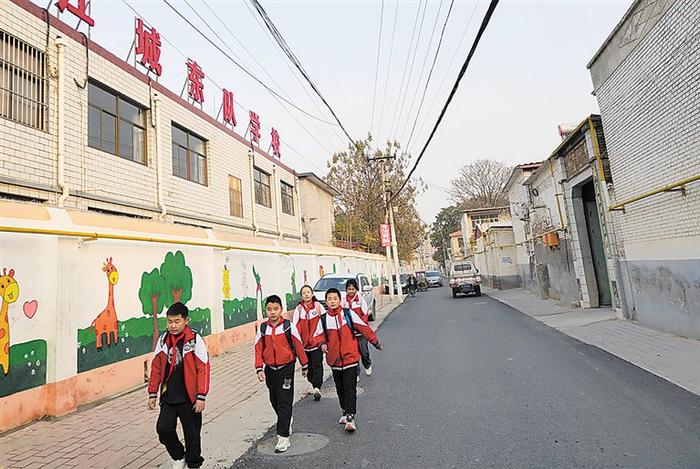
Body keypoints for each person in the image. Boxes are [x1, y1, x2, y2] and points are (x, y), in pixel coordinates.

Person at [148, 302, 210, 469]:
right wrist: (152, 393)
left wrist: (201, 396)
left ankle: (194, 465)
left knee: (192, 435)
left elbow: (203, 368)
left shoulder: (195, 340)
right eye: (169, 321)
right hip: (169, 395)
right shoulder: (163, 339)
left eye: (176, 321)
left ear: (186, 320)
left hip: (190, 397)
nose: (172, 325)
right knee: (163, 429)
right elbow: (156, 366)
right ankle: (178, 456)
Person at [313, 288, 382, 433]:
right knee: (340, 389)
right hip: (335, 361)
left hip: (350, 358)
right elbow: (317, 335)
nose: (332, 301)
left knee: (350, 388)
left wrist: (374, 341)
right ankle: (345, 411)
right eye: (329, 299)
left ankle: (351, 417)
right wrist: (321, 344)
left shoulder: (348, 314)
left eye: (335, 298)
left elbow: (363, 327)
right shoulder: (324, 319)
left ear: (339, 300)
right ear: (326, 302)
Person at [255, 295, 309, 453]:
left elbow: (298, 345)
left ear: (281, 310)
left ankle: (283, 437)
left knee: (285, 401)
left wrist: (304, 364)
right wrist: (259, 368)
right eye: (269, 309)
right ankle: (286, 419)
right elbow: (258, 349)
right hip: (270, 370)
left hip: (287, 368)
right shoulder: (262, 328)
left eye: (275, 309)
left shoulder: (288, 326)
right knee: (274, 399)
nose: (272, 312)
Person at [291, 285, 326, 401]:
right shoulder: (299, 310)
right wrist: (297, 344)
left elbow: (325, 324)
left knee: (317, 365)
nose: (306, 294)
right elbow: (295, 328)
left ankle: (317, 387)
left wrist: (324, 340)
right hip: (304, 346)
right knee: (308, 367)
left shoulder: (318, 307)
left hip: (317, 344)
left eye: (308, 292)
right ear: (301, 296)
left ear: (312, 294)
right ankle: (313, 383)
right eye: (304, 293)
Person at [343, 279, 372, 378]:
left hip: (361, 332)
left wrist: (360, 327)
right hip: (350, 333)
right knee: (353, 354)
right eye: (349, 289)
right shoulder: (343, 301)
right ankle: (356, 374)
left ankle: (367, 364)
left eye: (353, 289)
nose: (351, 291)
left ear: (356, 289)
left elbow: (365, 315)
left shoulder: (360, 300)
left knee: (363, 352)